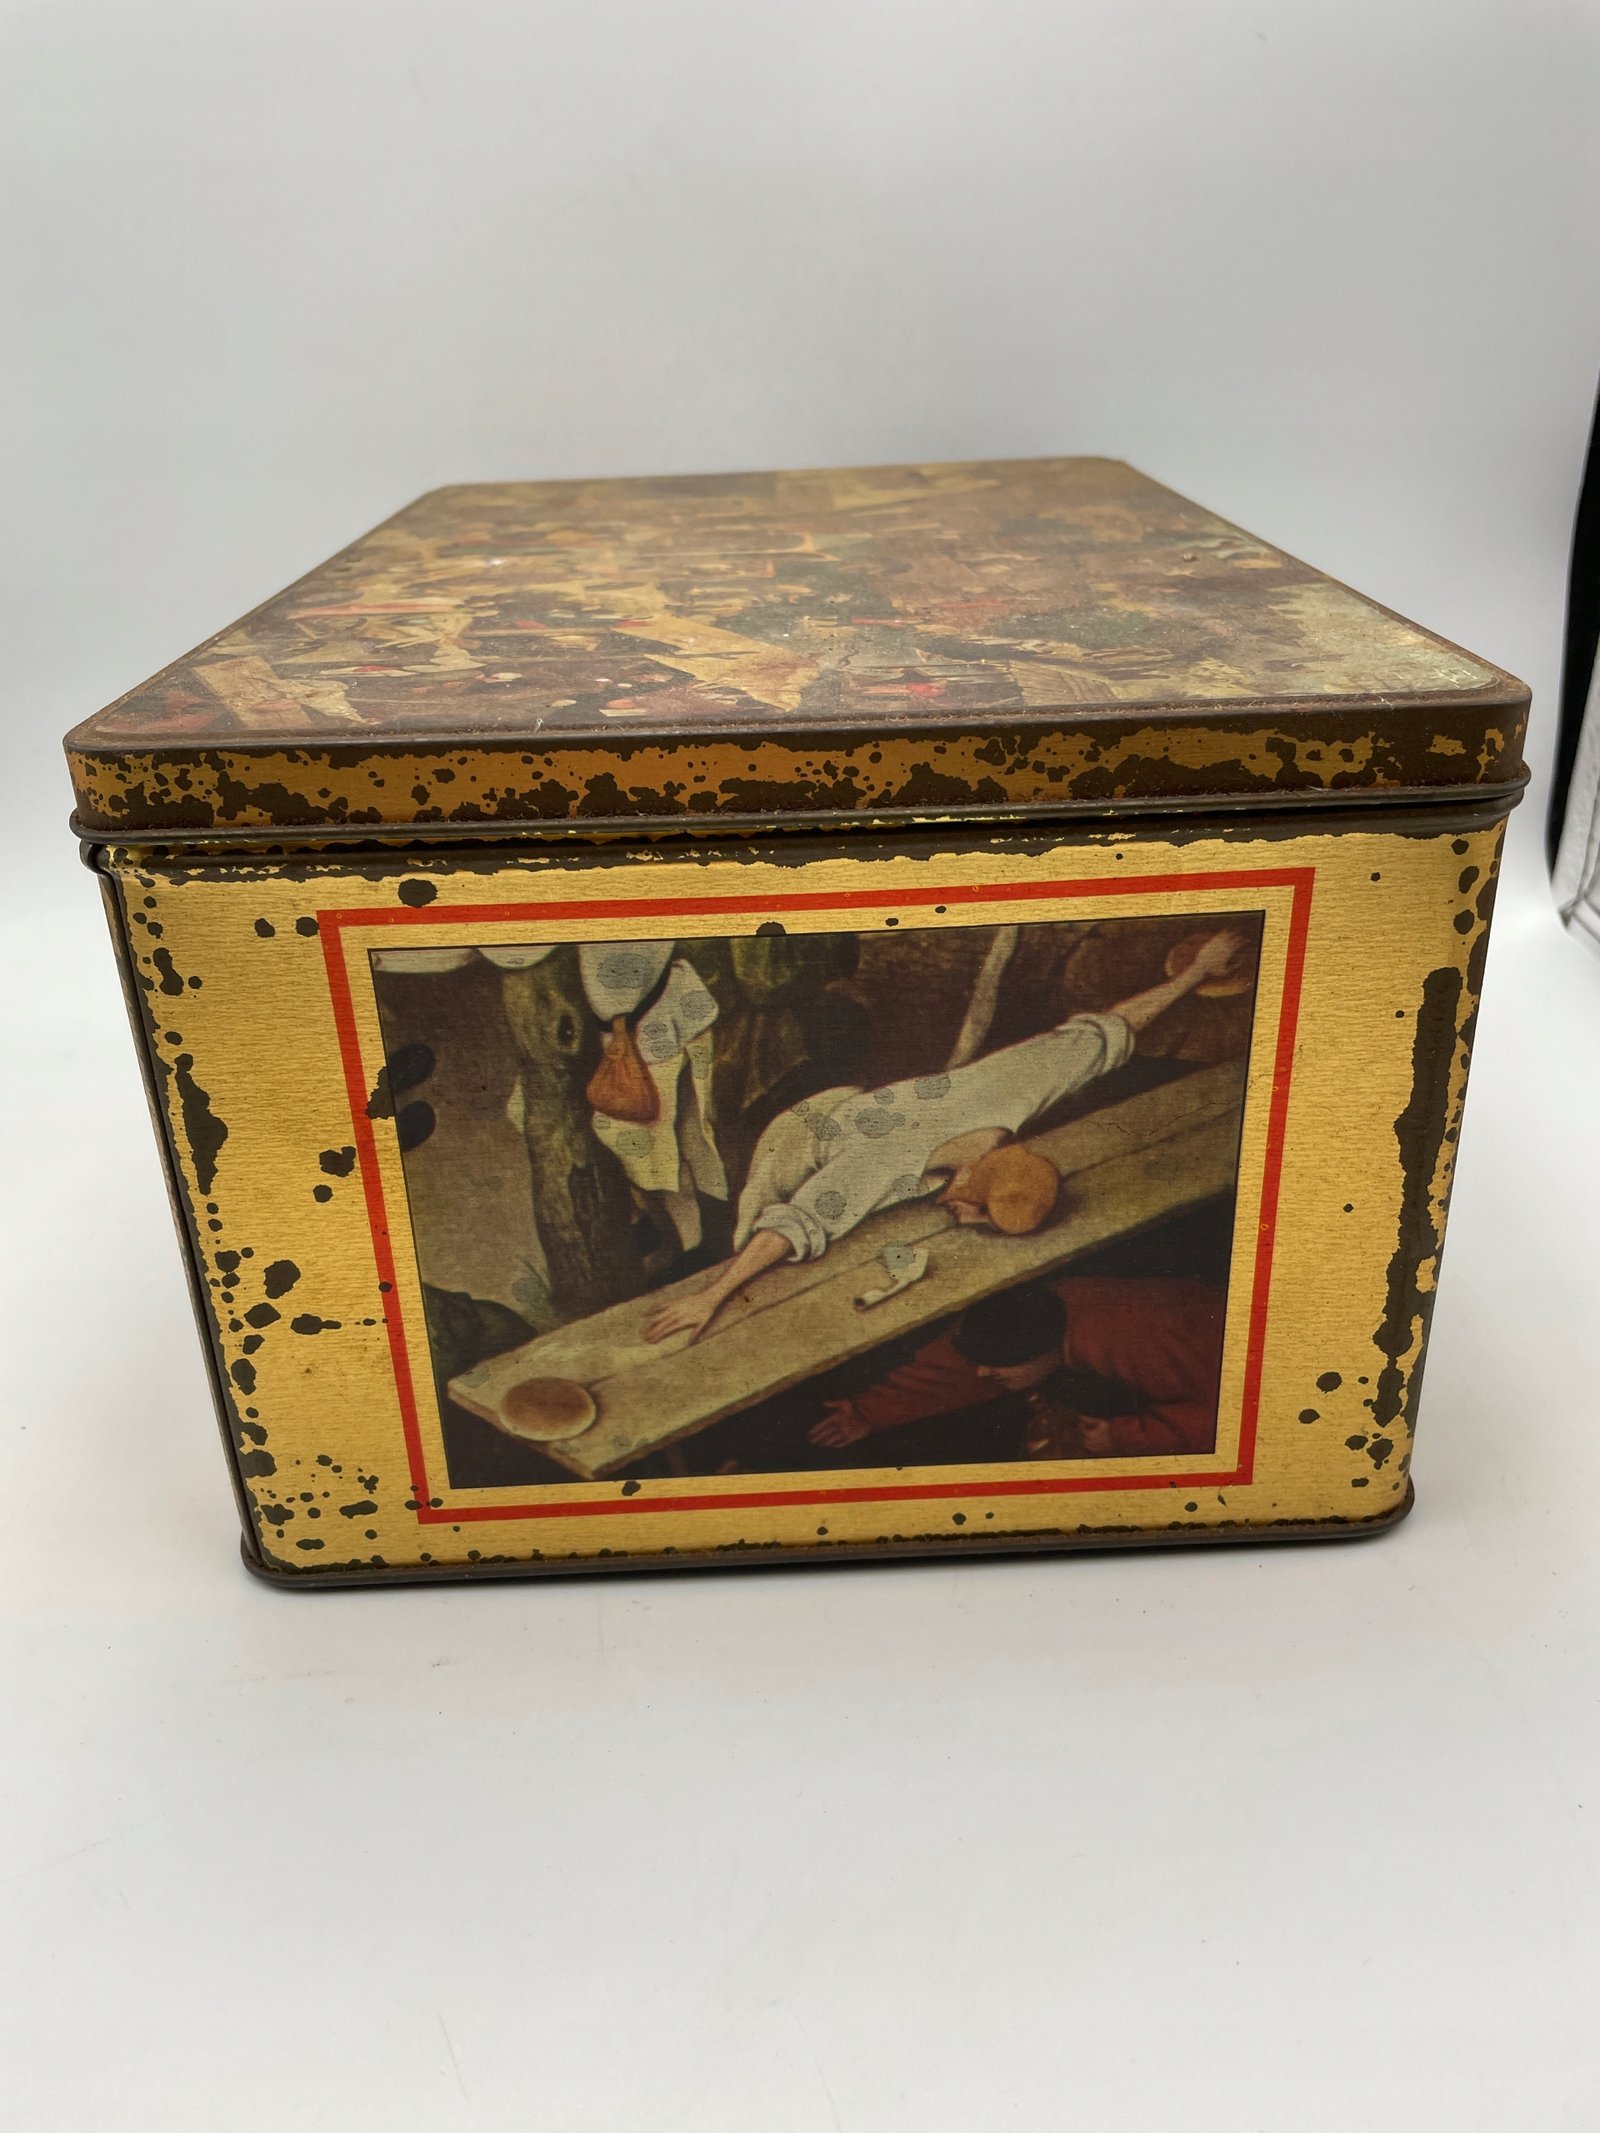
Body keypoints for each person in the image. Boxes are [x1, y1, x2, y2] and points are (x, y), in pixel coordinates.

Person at [641, 928, 1246, 1346]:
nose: (966, 1221)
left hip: (875, 1121)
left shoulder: (1017, 1089)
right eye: (976, 1213)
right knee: (762, 1247)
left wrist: (1196, 971)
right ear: (968, 1180)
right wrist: (710, 1298)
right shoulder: (884, 1165)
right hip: (806, 1137)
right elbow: (793, 1223)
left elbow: (1108, 1032)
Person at [810, 1274, 1226, 1459]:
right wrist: (869, 1411)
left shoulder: (1138, 1345)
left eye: (996, 1367)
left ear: (1040, 1354)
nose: (981, 1374)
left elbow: (1230, 1414)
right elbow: (958, 1367)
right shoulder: (1046, 1313)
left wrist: (1127, 1436)